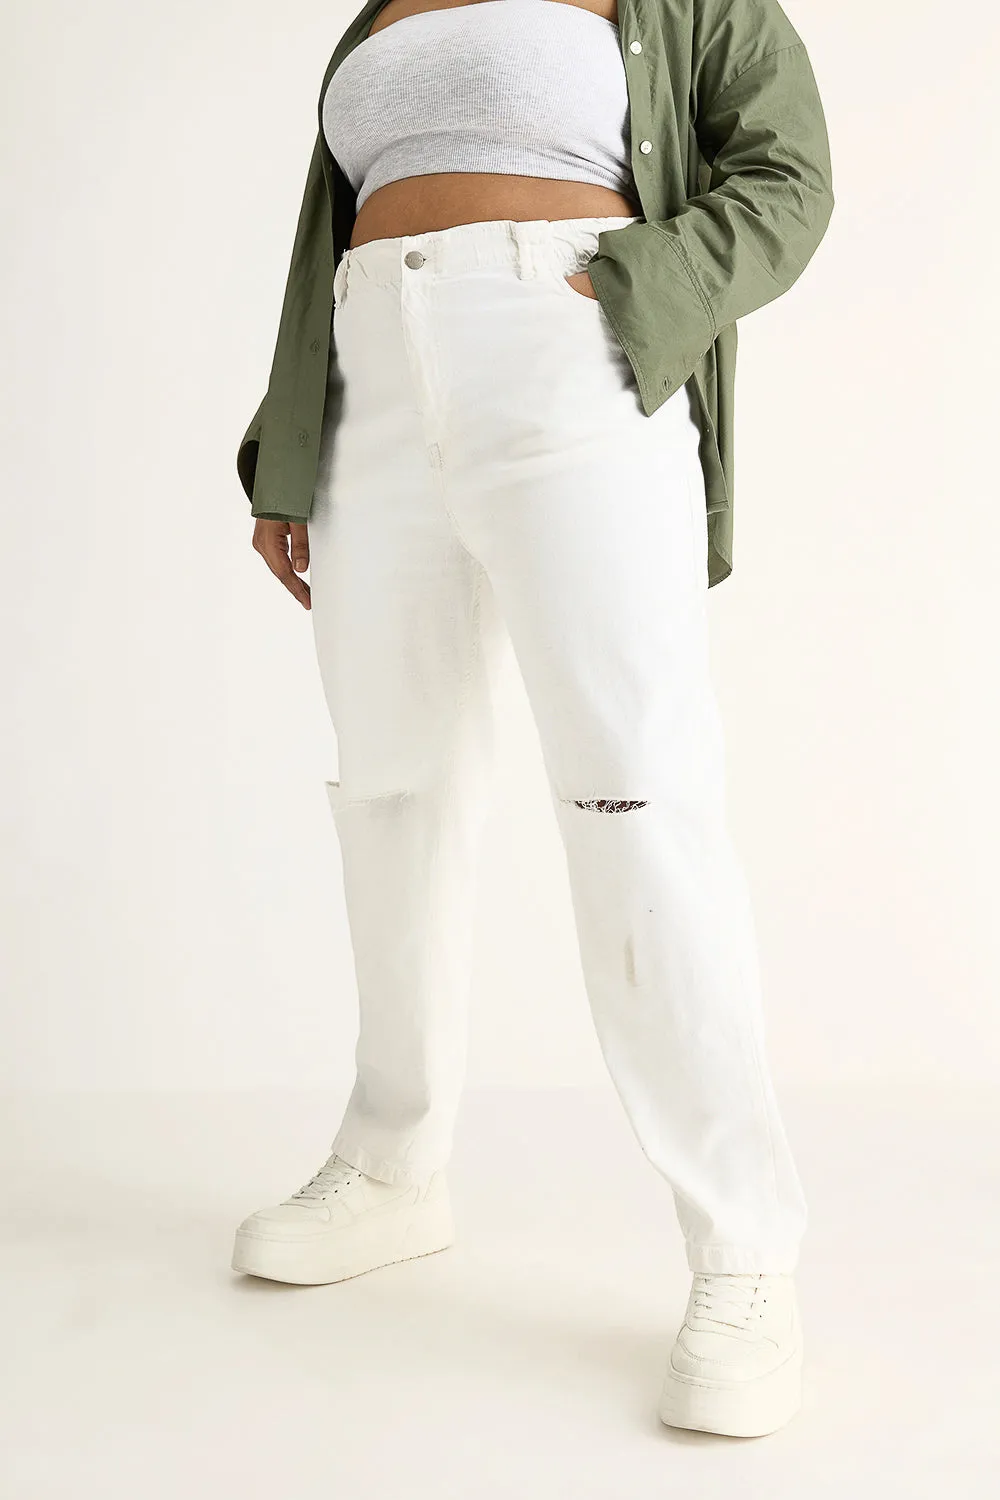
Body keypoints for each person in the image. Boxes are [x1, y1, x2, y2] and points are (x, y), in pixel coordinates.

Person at [230, 0, 834, 1439]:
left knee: (637, 799)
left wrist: (635, 285)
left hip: (573, 363)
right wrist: (290, 442)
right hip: (375, 379)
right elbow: (331, 235)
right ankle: (394, 1162)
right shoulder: (381, 12)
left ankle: (744, 1249)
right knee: (392, 789)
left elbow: (790, 176)